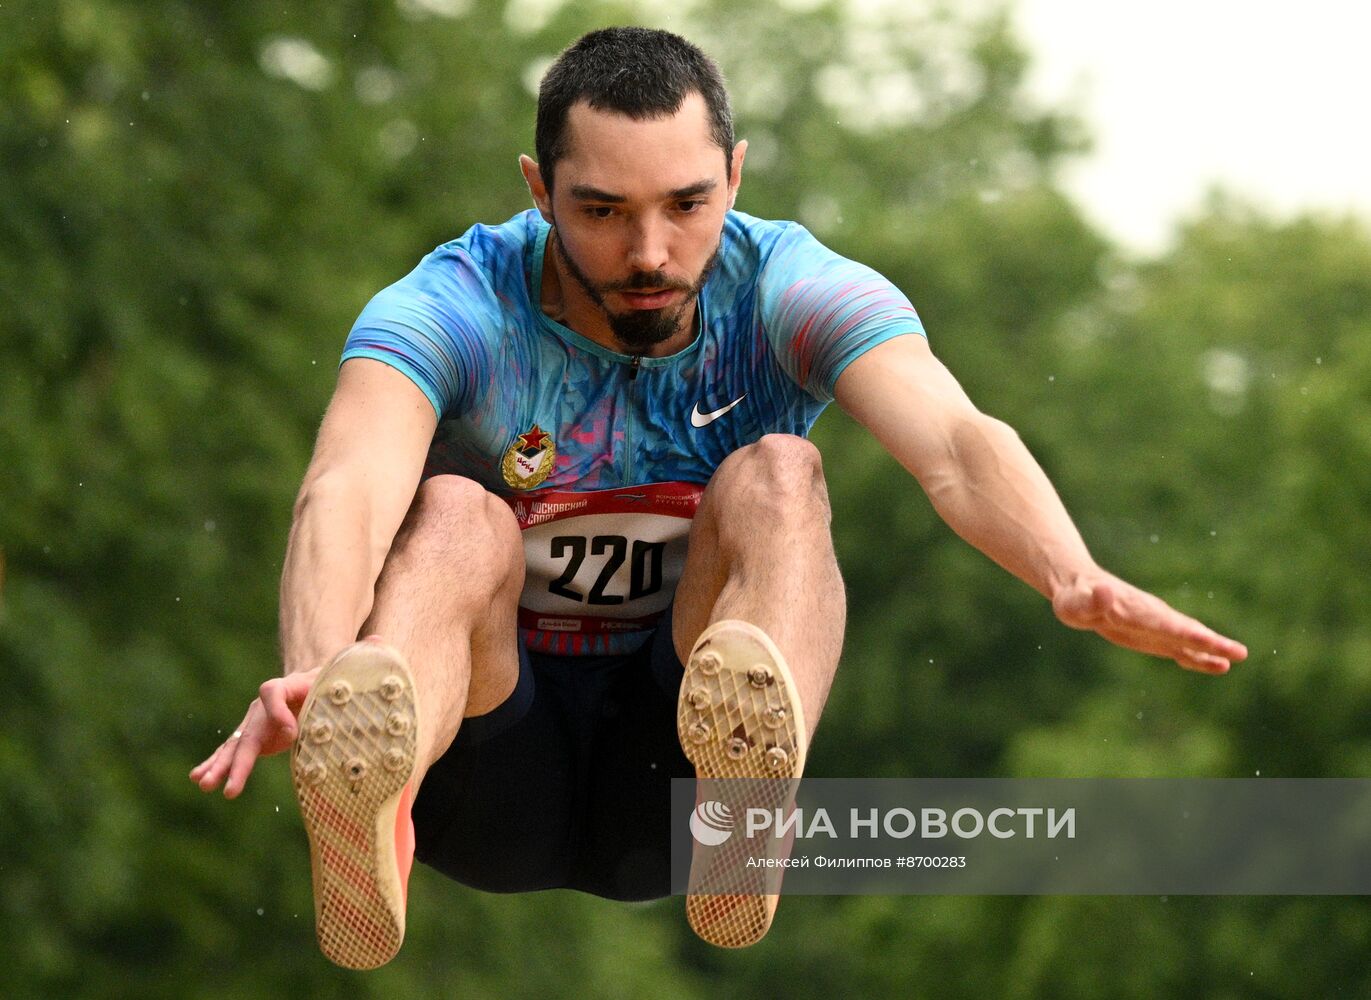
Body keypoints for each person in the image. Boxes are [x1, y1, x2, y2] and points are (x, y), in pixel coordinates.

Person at [190, 26, 1247, 969]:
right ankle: (365, 797)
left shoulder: (787, 288)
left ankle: (750, 810)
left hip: (679, 792)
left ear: (735, 178)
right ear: (536, 188)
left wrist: (1069, 572)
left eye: (686, 205)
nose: (650, 253)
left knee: (782, 473)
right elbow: (347, 483)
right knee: (454, 511)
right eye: (601, 212)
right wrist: (315, 670)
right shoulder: (458, 301)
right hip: (477, 775)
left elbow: (957, 442)